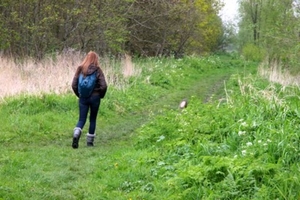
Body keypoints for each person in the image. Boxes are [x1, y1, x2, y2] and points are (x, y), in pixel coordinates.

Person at [71, 51, 107, 149]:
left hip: (83, 97)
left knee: (82, 119)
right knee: (92, 119)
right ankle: (89, 142)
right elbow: (103, 86)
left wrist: (80, 95)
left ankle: (76, 133)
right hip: (95, 97)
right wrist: (100, 95)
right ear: (96, 59)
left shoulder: (80, 69)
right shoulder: (98, 70)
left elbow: (73, 84)